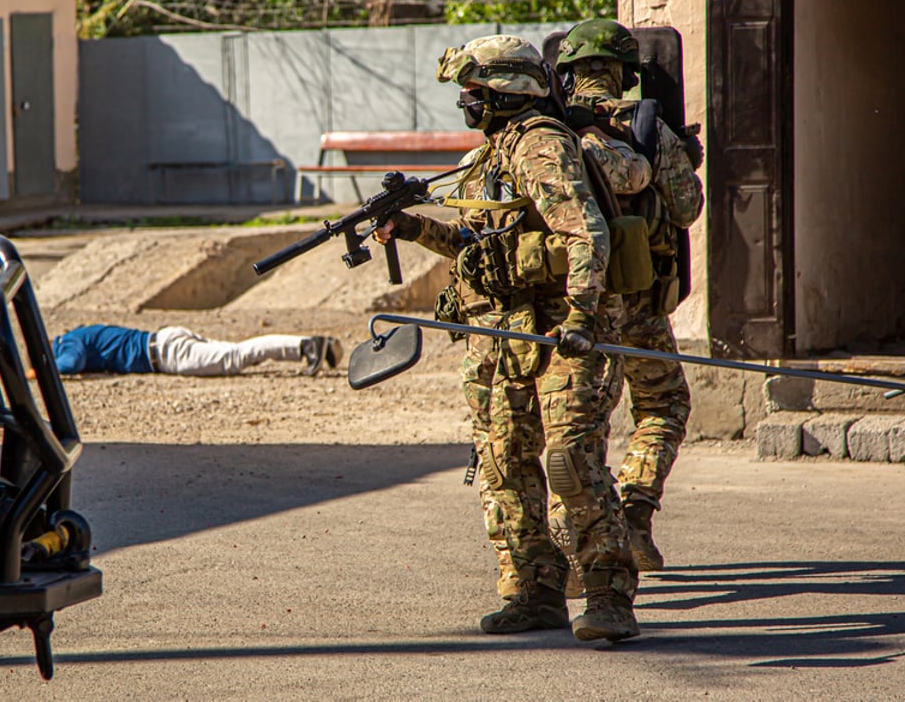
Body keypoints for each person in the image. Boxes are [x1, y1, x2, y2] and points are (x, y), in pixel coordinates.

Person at [375, 34, 639, 642]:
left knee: (571, 460)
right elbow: (477, 247)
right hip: (500, 339)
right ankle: (533, 591)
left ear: (504, 90)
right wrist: (412, 227)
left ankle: (608, 593)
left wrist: (580, 316)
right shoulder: (488, 157)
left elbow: (585, 234)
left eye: (473, 92)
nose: (465, 102)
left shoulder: (540, 146)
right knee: (504, 464)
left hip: (559, 333)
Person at [550, 18, 705, 576]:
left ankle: (575, 546)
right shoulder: (644, 125)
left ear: (566, 74)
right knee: (663, 406)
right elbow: (687, 210)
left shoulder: (547, 133)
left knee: (575, 426)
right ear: (623, 73)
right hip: (639, 299)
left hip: (575, 306)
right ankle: (635, 514)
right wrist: (684, 156)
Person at [44, 324, 341, 377]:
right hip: (165, 339)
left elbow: (70, 363)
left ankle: (306, 346)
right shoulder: (81, 333)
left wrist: (42, 368)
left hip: (166, 355)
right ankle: (316, 347)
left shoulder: (67, 342)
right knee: (237, 351)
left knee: (237, 357)